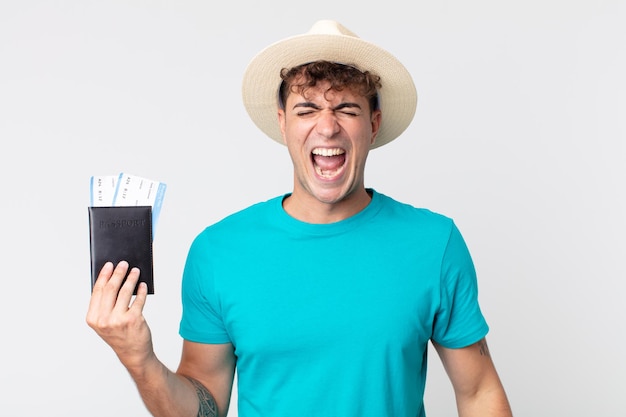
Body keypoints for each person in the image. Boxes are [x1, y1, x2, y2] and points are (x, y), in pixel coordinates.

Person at [86, 20, 513, 417]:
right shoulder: (219, 251)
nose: (327, 128)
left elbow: (478, 391)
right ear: (283, 124)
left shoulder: (433, 243)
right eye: (307, 110)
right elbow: (205, 407)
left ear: (374, 124)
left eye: (346, 108)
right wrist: (138, 359)